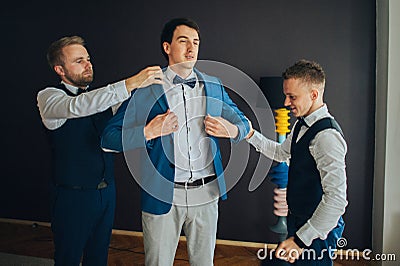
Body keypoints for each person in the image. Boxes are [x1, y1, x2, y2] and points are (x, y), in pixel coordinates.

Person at [101, 18, 250, 265]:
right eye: (183, 41)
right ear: (167, 47)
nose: (191, 48)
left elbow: (244, 124)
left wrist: (232, 129)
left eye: (196, 42)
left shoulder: (213, 85)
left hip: (207, 194)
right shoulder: (145, 89)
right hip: (162, 195)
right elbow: (108, 137)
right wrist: (148, 131)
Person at [37, 35, 163, 266]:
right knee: (68, 258)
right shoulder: (48, 97)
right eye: (78, 61)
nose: (88, 64)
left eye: (88, 58)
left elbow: (114, 135)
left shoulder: (103, 101)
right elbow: (77, 106)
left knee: (99, 257)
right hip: (72, 197)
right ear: (60, 69)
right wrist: (132, 82)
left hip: (107, 193)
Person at [246, 60, 347, 265]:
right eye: (286, 95)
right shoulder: (302, 124)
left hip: (318, 231)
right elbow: (281, 152)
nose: (286, 102)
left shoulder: (327, 137)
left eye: (292, 97)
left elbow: (336, 200)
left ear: (314, 95)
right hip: (298, 221)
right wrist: (249, 134)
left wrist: (301, 241)